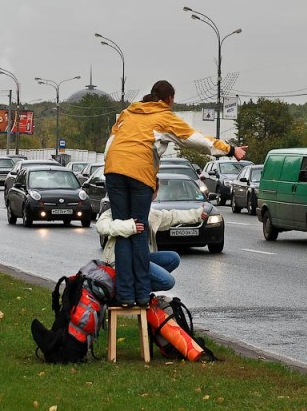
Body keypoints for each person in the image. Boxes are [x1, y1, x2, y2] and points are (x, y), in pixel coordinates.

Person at [104, 80, 247, 307]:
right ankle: (140, 295)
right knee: (139, 230)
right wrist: (230, 149)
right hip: (139, 172)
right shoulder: (163, 116)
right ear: (169, 99)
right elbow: (194, 139)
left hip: (113, 170)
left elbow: (111, 143)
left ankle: (124, 295)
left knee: (123, 229)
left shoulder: (127, 114)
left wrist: (112, 167)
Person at [95, 181, 208, 293]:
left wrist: (197, 214)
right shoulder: (120, 211)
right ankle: (131, 289)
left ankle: (138, 286)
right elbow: (101, 226)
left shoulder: (150, 214)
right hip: (120, 262)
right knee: (168, 281)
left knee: (173, 258)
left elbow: (172, 216)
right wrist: (130, 226)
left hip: (141, 258)